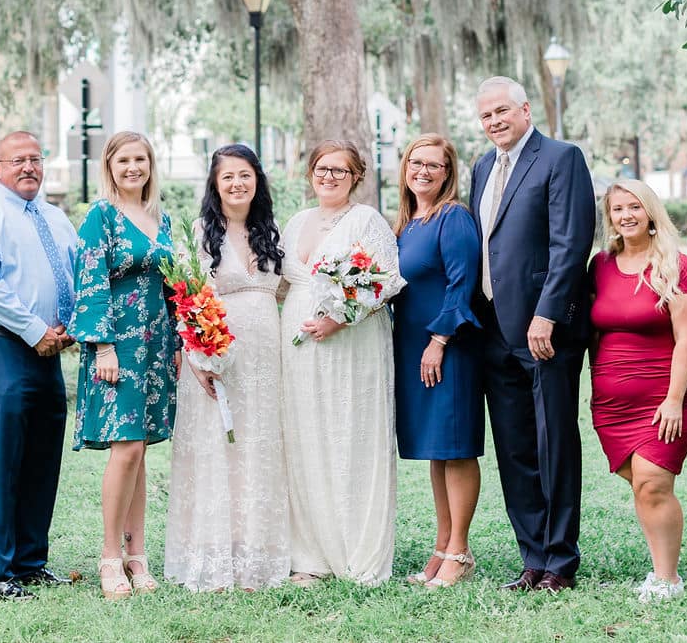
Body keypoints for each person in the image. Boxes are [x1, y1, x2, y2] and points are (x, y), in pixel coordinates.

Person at [469, 76, 595, 594]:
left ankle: (560, 561)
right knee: (515, 447)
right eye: (486, 116)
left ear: (525, 109)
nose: (495, 122)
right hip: (494, 331)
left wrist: (548, 314)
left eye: (502, 111)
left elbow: (571, 242)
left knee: (554, 442)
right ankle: (532, 557)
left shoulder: (561, 158)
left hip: (544, 330)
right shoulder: (481, 167)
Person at [0, 132, 79, 601]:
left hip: (52, 351)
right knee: (2, 463)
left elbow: (73, 274)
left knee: (43, 460)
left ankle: (31, 561)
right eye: (17, 161)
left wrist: (68, 328)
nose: (28, 167)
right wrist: (36, 331)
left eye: (35, 159)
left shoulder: (55, 217)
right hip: (5, 348)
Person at [165, 144, 291, 593]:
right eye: (228, 177)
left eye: (245, 175)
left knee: (258, 445)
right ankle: (215, 554)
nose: (237, 184)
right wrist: (199, 356)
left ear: (257, 180)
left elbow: (288, 291)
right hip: (215, 353)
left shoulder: (271, 231)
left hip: (267, 355)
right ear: (215, 185)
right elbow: (185, 297)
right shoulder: (199, 232)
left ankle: (256, 551)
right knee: (218, 445)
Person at [280, 139, 403, 586]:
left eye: (339, 170)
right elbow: (280, 284)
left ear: (356, 177)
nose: (328, 177)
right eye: (321, 168)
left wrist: (339, 318)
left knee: (350, 436)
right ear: (310, 173)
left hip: (353, 347)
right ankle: (309, 554)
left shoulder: (367, 220)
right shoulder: (294, 223)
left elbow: (387, 281)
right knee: (306, 439)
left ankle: (357, 552)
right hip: (297, 350)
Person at [68, 132, 178, 600]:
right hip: (118, 347)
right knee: (126, 447)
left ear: (151, 165)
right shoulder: (101, 217)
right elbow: (89, 281)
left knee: (142, 449)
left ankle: (139, 556)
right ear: (110, 166)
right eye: (124, 160)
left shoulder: (163, 218)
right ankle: (110, 556)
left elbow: (175, 284)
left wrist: (179, 340)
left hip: (157, 347)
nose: (133, 167)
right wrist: (104, 346)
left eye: (141, 159)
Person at [588, 179, 687, 601]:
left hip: (663, 397)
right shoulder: (599, 265)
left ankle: (666, 578)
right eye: (617, 209)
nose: (626, 216)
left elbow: (686, 338)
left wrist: (674, 400)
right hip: (612, 403)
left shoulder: (677, 265)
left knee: (654, 484)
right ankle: (660, 564)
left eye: (634, 206)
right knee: (638, 482)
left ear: (650, 211)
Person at [392, 135, 483, 590]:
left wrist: (439, 340)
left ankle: (460, 552)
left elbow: (462, 283)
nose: (422, 170)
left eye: (433, 164)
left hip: (448, 347)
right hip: (413, 348)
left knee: (456, 446)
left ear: (448, 173)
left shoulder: (454, 218)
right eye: (415, 162)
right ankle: (441, 547)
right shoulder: (408, 224)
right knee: (436, 449)